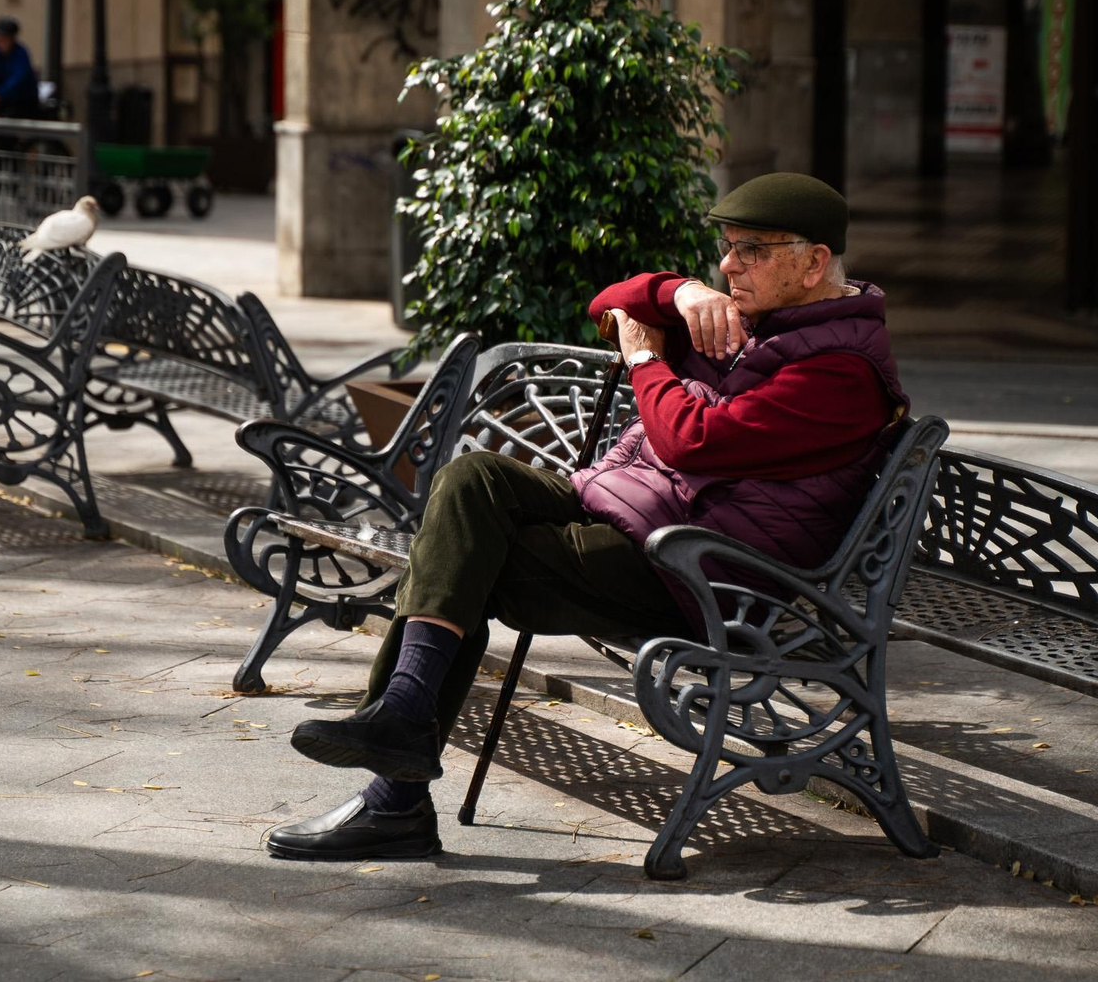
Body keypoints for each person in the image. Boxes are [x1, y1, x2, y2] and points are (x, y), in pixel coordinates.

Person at [265, 173, 910, 861]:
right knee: (469, 480)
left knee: (460, 559)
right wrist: (679, 292)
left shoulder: (840, 374)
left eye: (752, 249)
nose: (728, 265)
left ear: (813, 263)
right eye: (725, 247)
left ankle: (394, 789)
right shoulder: (748, 319)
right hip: (630, 509)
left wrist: (643, 359)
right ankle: (400, 723)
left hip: (699, 573)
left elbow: (689, 438)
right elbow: (608, 303)